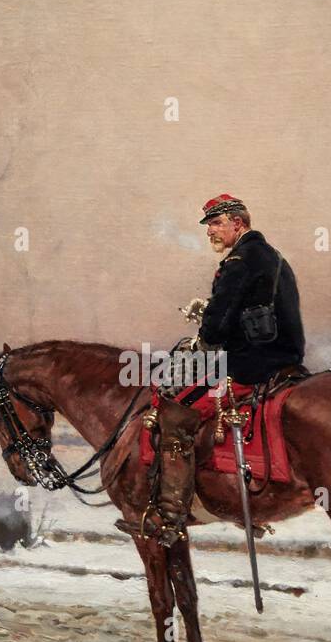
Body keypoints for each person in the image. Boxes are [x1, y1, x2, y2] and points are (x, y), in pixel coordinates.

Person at [121, 193, 306, 546]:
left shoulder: (238, 261)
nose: (211, 232)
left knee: (174, 412)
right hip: (284, 357)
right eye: (208, 226)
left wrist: (202, 333)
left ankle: (170, 515)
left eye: (217, 224)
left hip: (249, 362)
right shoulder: (270, 256)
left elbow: (216, 330)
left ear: (239, 222)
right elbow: (250, 309)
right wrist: (212, 311)